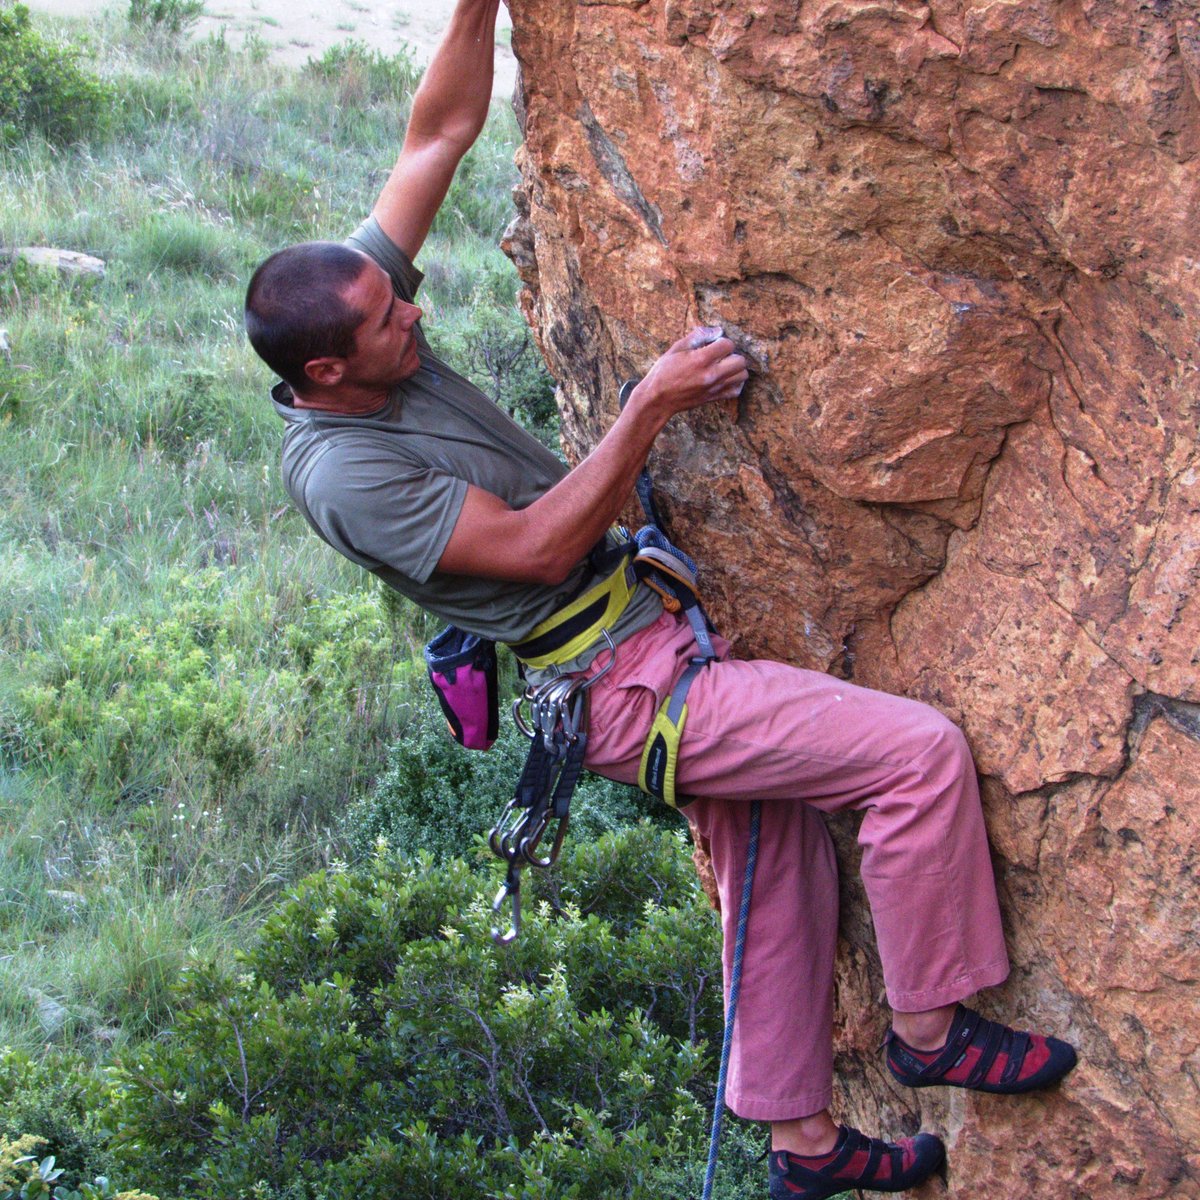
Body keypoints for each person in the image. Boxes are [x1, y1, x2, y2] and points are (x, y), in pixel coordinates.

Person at [243, 1, 1078, 1196]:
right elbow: (532, 551)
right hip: (628, 689)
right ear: (326, 369)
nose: (410, 305)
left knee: (781, 858)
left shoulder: (358, 318)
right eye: (387, 319)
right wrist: (648, 405)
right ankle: (933, 1030)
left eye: (395, 293)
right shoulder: (346, 475)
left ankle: (803, 1148)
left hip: (645, 646)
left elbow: (439, 131)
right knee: (917, 759)